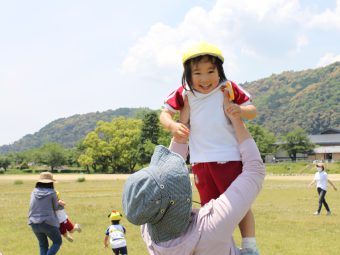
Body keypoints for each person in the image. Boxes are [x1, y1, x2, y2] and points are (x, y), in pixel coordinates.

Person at [122, 97, 265, 255]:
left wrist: (182, 125)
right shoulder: (211, 224)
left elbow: (164, 183)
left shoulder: (149, 230)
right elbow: (254, 170)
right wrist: (236, 120)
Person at [159, 41, 259, 254]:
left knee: (239, 206)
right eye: (198, 73)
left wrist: (239, 110)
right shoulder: (184, 92)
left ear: (219, 70)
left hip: (229, 157)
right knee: (210, 211)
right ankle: (223, 248)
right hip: (200, 162)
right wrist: (173, 125)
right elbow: (164, 114)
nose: (205, 79)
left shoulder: (227, 87)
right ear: (187, 74)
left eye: (210, 71)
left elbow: (252, 109)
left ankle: (250, 247)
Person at [28, 172, 62, 255]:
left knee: (43, 245)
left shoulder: (33, 192)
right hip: (48, 222)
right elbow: (56, 208)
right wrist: (61, 204)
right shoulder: (52, 193)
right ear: (51, 183)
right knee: (57, 242)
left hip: (33, 222)